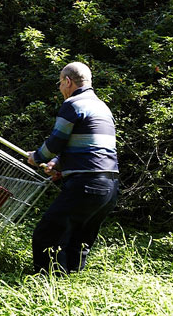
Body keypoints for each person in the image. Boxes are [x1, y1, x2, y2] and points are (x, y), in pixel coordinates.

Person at [26, 62, 119, 274]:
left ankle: (46, 284)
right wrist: (58, 164)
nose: (60, 88)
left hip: (86, 184)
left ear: (68, 81)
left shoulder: (73, 104)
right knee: (79, 238)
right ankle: (70, 283)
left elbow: (56, 141)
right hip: (110, 185)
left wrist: (38, 157)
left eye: (60, 83)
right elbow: (92, 147)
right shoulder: (102, 107)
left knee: (47, 233)